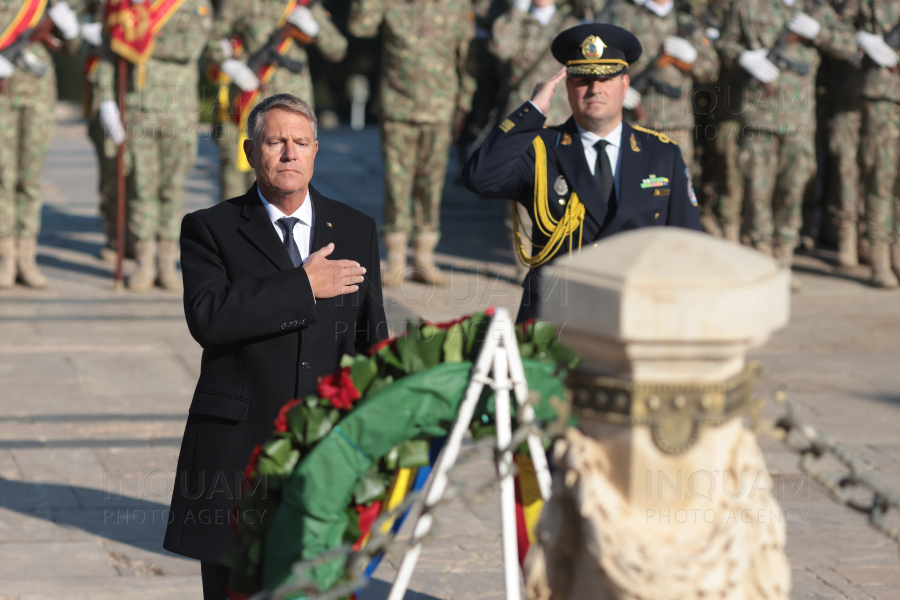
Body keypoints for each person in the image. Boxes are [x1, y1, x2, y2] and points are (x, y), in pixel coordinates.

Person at [163, 93, 388, 600]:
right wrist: (303, 286)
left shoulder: (354, 228)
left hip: (323, 453)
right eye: (275, 142)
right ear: (250, 150)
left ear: (315, 152)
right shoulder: (210, 228)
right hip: (237, 455)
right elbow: (210, 317)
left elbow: (370, 344)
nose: (289, 153)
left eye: (300, 142)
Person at [463, 23, 702, 322]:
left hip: (635, 313)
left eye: (606, 78)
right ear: (566, 86)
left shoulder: (660, 153)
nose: (594, 89)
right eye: (582, 80)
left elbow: (687, 241)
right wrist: (532, 110)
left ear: (625, 84)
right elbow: (480, 177)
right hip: (556, 315)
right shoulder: (539, 149)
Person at [717, 0, 856, 289]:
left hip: (799, 118)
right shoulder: (746, 6)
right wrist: (745, 57)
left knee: (792, 190)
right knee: (757, 190)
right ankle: (760, 256)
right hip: (757, 116)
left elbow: (849, 46)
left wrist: (820, 33)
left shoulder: (816, 9)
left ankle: (783, 260)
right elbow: (725, 45)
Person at [348, 0, 476, 287]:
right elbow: (360, 26)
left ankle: (424, 257)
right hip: (397, 106)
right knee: (397, 183)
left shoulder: (455, 6)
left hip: (440, 107)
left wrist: (464, 104)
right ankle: (395, 258)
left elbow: (468, 58)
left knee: (431, 183)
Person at [98, 0, 214, 292]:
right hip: (138, 110)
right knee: (141, 188)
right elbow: (107, 52)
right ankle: (144, 262)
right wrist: (105, 98)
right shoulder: (126, 5)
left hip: (179, 112)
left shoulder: (192, 4)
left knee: (172, 190)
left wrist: (139, 36)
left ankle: (167, 262)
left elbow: (190, 45)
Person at [208, 0, 347, 203]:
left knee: (289, 172)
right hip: (247, 98)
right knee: (235, 174)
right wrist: (229, 64)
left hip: (293, 106)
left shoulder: (303, 4)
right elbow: (210, 37)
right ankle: (231, 231)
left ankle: (285, 230)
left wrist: (317, 31)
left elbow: (338, 50)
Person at [605, 0, 720, 233]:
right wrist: (617, 89)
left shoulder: (687, 23)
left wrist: (693, 58)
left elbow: (711, 71)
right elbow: (603, 61)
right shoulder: (624, 16)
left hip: (675, 127)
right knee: (628, 191)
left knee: (677, 195)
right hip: (631, 123)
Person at [0, 0, 82, 288]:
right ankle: (4, 257)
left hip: (38, 97)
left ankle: (26, 256)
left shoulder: (45, 4)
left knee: (29, 179)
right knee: (2, 178)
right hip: (1, 98)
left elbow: (72, 51)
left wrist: (70, 29)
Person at [840, 0, 900, 287]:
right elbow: (836, 28)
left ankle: (898, 252)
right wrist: (860, 40)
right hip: (882, 96)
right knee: (881, 176)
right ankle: (879, 257)